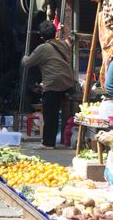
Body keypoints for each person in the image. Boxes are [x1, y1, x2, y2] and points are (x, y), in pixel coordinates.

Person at [22, 20, 75, 149]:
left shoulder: (43, 48)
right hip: (68, 81)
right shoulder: (62, 44)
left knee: (50, 114)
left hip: (54, 84)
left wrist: (24, 58)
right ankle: (60, 139)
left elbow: (28, 63)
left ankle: (48, 143)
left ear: (41, 37)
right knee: (56, 112)